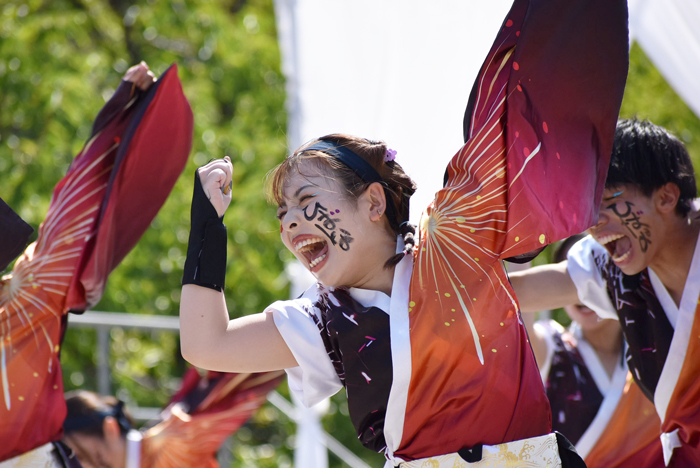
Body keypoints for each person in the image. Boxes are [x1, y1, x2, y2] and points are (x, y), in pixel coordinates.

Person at [179, 0, 629, 466]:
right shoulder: (324, 319)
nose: (290, 222)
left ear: (373, 202)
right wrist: (207, 226)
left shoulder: (457, 240)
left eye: (306, 201)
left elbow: (511, 121)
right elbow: (206, 344)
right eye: (283, 214)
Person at [0, 62, 193, 467]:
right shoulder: (18, 310)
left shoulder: (17, 310)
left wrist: (116, 128)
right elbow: (64, 234)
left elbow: (63, 234)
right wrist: (115, 129)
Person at [510, 118, 700, 466]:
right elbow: (516, 291)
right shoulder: (611, 268)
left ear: (666, 197)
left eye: (609, 200)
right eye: (588, 208)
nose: (593, 224)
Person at [519, 235, 664, 467]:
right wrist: (520, 248)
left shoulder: (655, 345)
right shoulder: (553, 348)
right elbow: (520, 323)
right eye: (567, 277)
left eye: (588, 276)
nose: (580, 289)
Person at [62, 368, 284, 468]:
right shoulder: (166, 435)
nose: (82, 465)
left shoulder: (175, 438)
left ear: (110, 427)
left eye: (81, 453)